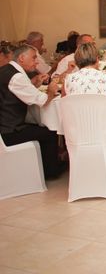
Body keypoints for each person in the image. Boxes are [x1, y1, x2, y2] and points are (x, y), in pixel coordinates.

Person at [0, 44, 65, 178]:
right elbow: (42, 100)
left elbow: (17, 92)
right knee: (49, 132)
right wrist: (51, 92)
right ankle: (51, 172)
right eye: (34, 57)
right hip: (9, 131)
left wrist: (34, 83)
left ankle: (43, 164)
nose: (36, 61)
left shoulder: (6, 70)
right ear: (22, 58)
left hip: (4, 127)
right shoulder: (17, 77)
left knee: (39, 126)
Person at [63, 43, 106, 109]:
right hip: (104, 118)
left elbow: (63, 106)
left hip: (77, 119)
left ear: (76, 61)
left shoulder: (68, 79)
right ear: (97, 59)